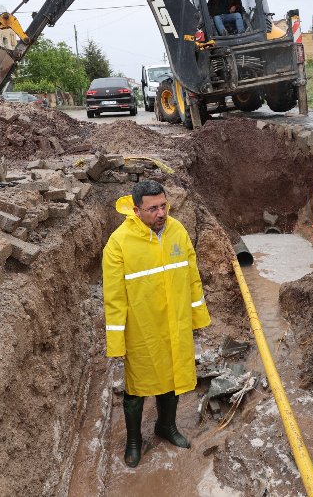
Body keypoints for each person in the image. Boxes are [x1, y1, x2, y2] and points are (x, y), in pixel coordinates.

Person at [102, 180, 211, 468]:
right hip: (142, 330)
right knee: (137, 387)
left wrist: (197, 317)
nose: (161, 213)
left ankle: (166, 426)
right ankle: (134, 441)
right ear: (136, 210)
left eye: (164, 206)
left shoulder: (177, 231)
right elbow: (113, 298)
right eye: (153, 209)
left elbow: (192, 278)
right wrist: (117, 342)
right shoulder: (119, 243)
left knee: (172, 377)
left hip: (175, 325)